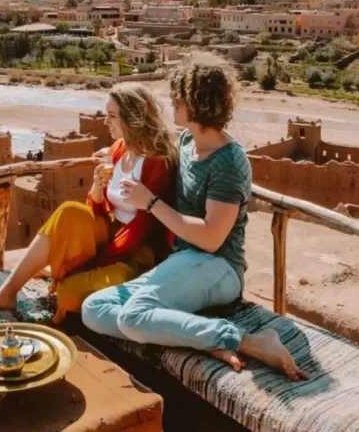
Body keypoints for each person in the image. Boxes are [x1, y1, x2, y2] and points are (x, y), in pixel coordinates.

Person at [82, 55, 307, 381]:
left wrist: (151, 202)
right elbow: (152, 145)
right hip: (184, 261)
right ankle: (206, 340)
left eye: (179, 97)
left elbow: (212, 238)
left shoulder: (229, 161)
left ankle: (248, 340)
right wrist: (114, 153)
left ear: (196, 103)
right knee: (94, 310)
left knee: (133, 317)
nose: (172, 103)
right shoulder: (187, 143)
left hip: (220, 266)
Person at [0, 83, 176, 324]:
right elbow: (95, 209)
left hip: (135, 256)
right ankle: (6, 292)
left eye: (112, 116)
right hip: (110, 235)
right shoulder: (119, 150)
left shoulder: (156, 163)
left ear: (133, 118)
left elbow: (144, 228)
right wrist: (97, 188)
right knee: (68, 211)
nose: (105, 122)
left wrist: (94, 262)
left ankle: (63, 274)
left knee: (68, 294)